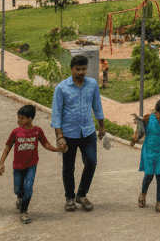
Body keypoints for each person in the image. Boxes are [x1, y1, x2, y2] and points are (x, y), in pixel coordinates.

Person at [51, 54, 107, 212]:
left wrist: (101, 126)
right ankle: (69, 197)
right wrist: (59, 137)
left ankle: (81, 195)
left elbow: (97, 106)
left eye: (84, 69)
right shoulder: (62, 88)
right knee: (68, 167)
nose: (81, 72)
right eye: (78, 69)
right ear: (71, 69)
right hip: (68, 133)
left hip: (88, 131)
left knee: (91, 162)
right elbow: (56, 114)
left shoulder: (92, 84)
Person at [0, 104, 62, 224]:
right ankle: (19, 197)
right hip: (18, 166)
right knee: (18, 189)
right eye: (18, 118)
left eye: (21, 118)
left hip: (31, 165)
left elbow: (46, 144)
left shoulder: (38, 131)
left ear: (30, 119)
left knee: (28, 188)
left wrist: (57, 149)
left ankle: (24, 211)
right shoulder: (15, 132)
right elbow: (7, 148)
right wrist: (1, 164)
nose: (18, 120)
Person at [139, 98, 160, 214]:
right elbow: (141, 132)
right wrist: (143, 123)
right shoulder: (149, 119)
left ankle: (159, 203)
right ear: (156, 111)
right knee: (148, 176)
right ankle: (143, 194)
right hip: (148, 151)